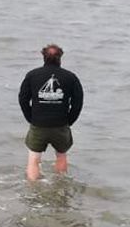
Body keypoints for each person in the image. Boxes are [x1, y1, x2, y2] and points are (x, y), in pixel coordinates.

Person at [19, 43, 83, 181]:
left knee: (33, 159)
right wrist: (69, 121)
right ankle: (60, 188)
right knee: (61, 156)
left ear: (44, 57)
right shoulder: (70, 77)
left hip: (38, 124)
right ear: (60, 57)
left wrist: (31, 118)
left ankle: (33, 192)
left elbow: (23, 99)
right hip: (61, 125)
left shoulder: (32, 75)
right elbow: (78, 103)